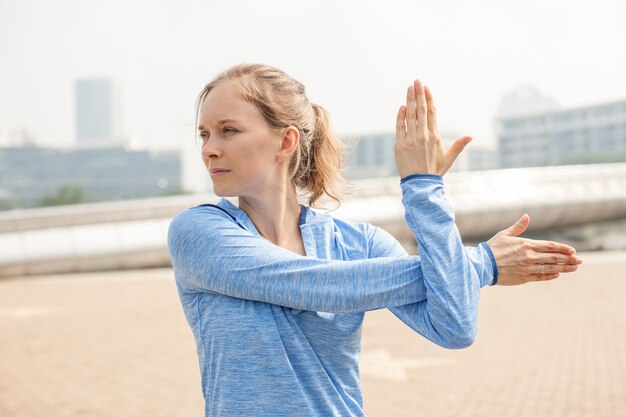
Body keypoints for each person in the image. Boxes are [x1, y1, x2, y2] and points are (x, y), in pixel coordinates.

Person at [167, 63, 582, 417]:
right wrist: (481, 265)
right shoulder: (199, 233)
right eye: (204, 134)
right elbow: (316, 286)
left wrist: (424, 188)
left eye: (228, 130)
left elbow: (453, 326)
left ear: (286, 141)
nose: (209, 150)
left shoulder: (358, 243)